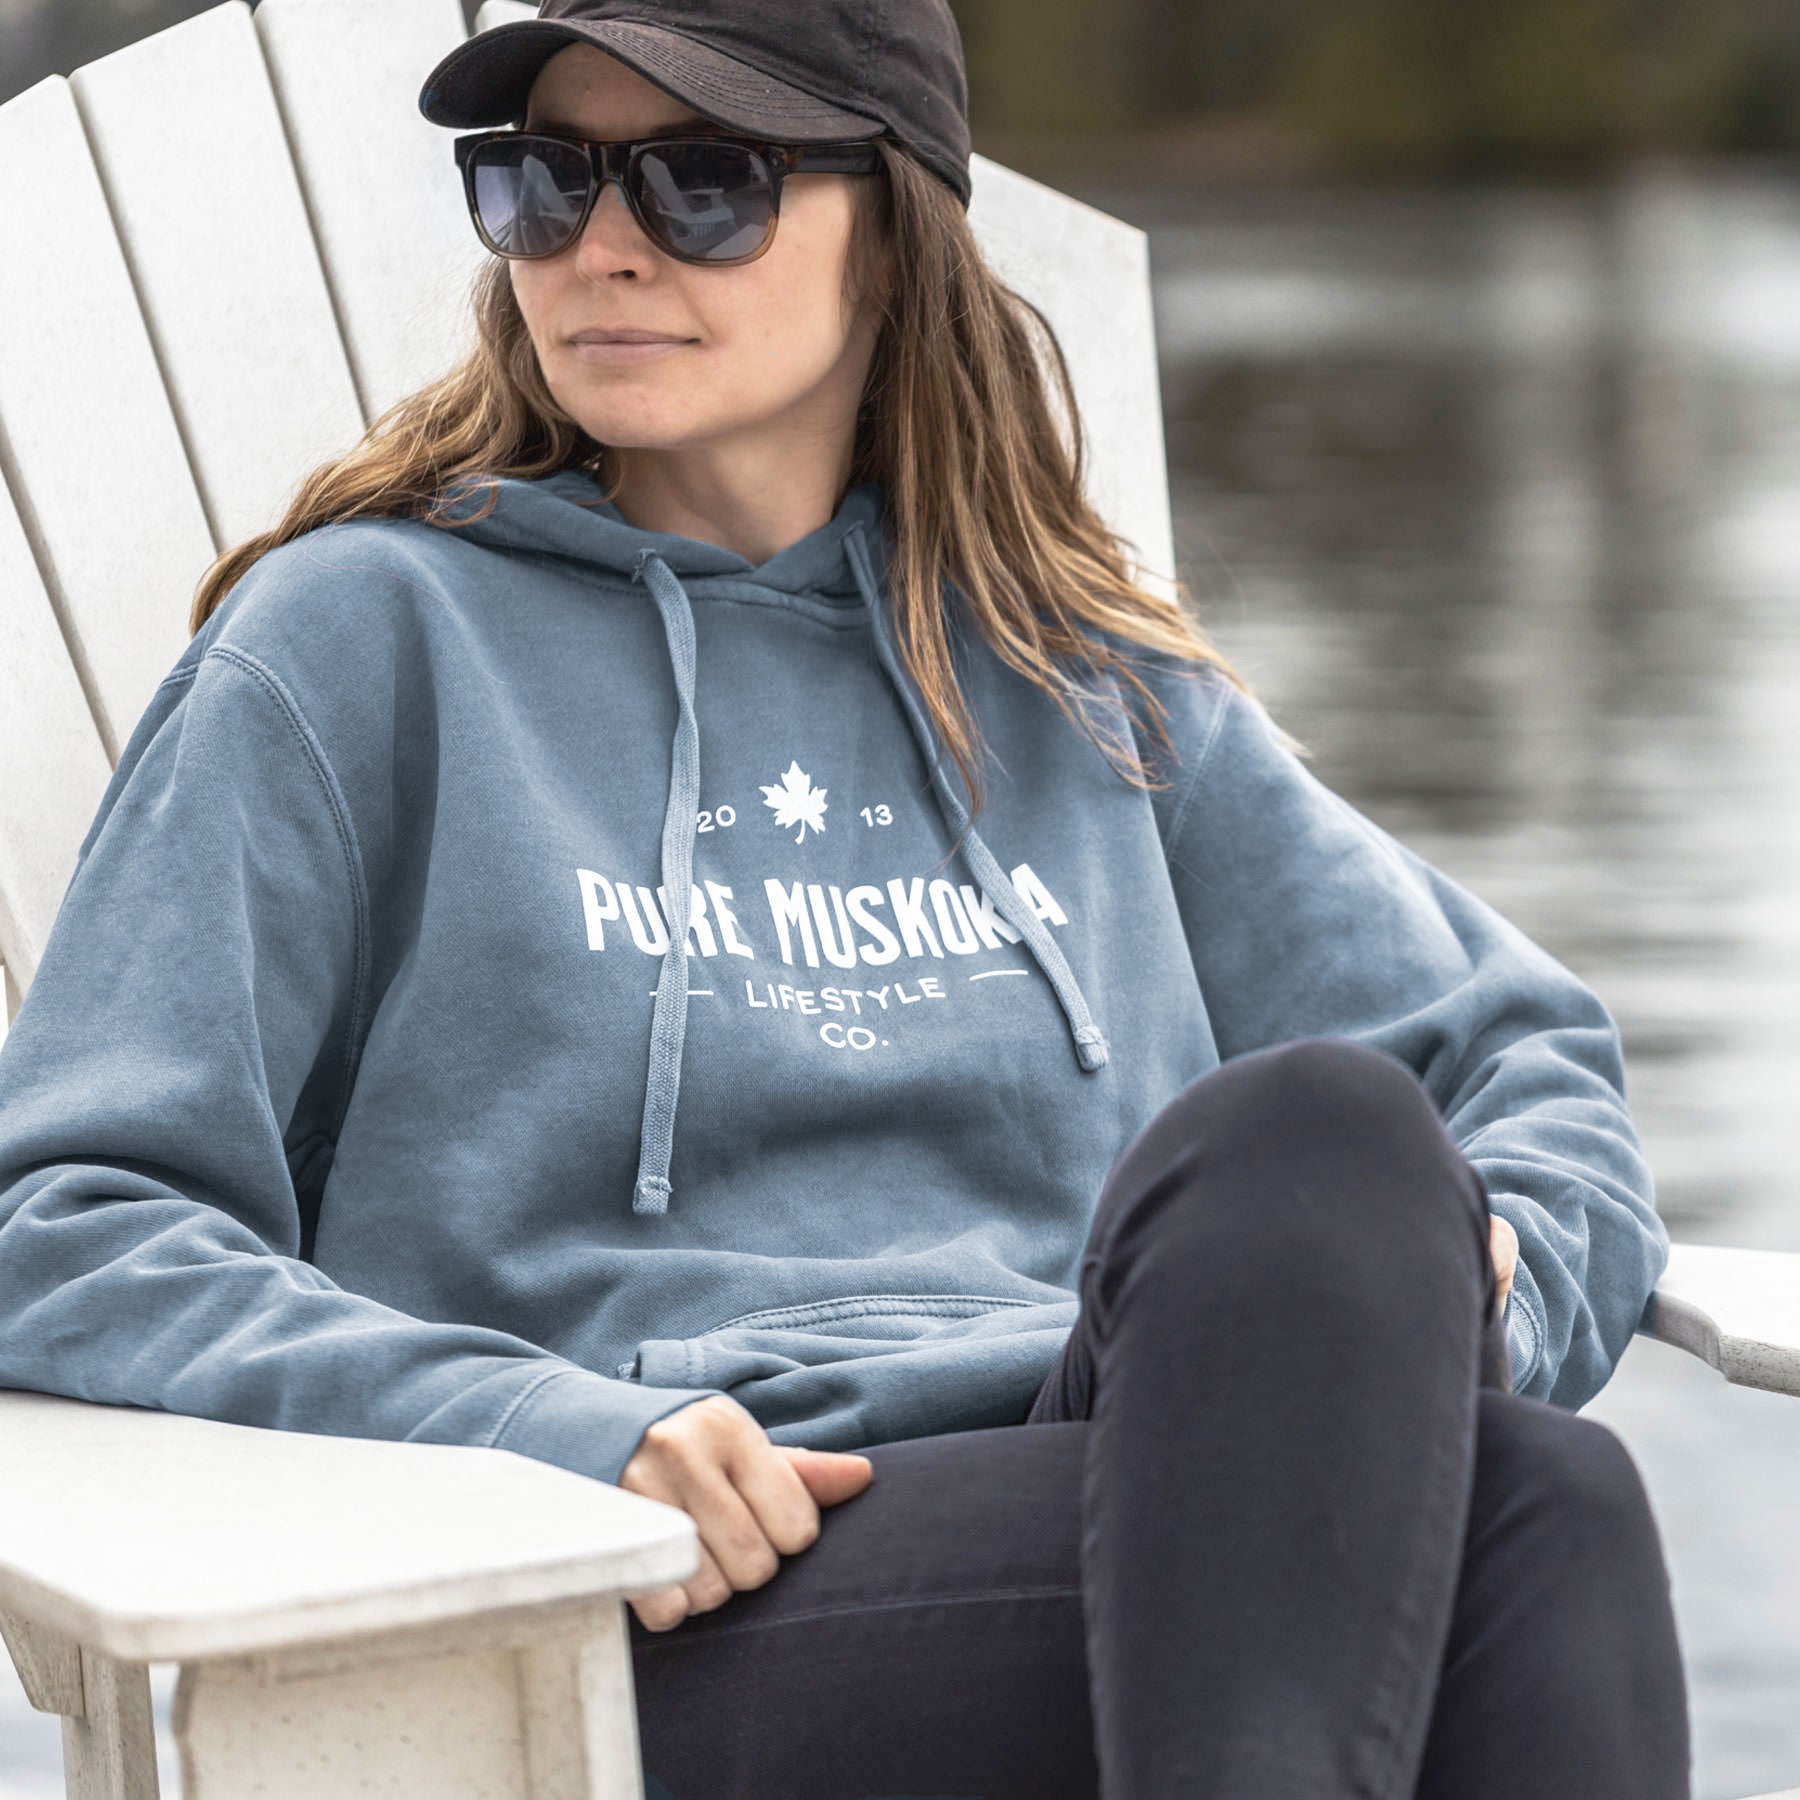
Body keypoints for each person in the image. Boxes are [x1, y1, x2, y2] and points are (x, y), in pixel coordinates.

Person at [0, 0, 1690, 1794]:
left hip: (1116, 1453)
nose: (604, 246)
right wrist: (537, 1425)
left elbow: (1526, 1061)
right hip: (653, 1570)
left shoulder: (1079, 685)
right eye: (542, 181)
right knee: (1544, 1523)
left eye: (702, 180)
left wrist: (1485, 1298)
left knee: (1332, 1144)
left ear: (893, 239)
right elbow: (69, 1215)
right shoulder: (364, 644)